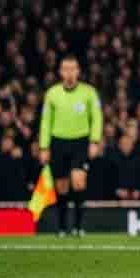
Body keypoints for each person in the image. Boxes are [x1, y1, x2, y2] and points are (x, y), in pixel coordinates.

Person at [37, 55, 103, 237]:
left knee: (79, 181)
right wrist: (44, 147)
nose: (69, 73)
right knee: (62, 187)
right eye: (66, 69)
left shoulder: (89, 92)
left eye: (73, 69)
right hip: (58, 142)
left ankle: (79, 226)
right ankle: (62, 227)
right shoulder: (52, 93)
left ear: (78, 71)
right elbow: (45, 121)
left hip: (80, 141)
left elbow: (97, 117)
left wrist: (94, 141)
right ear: (60, 72)